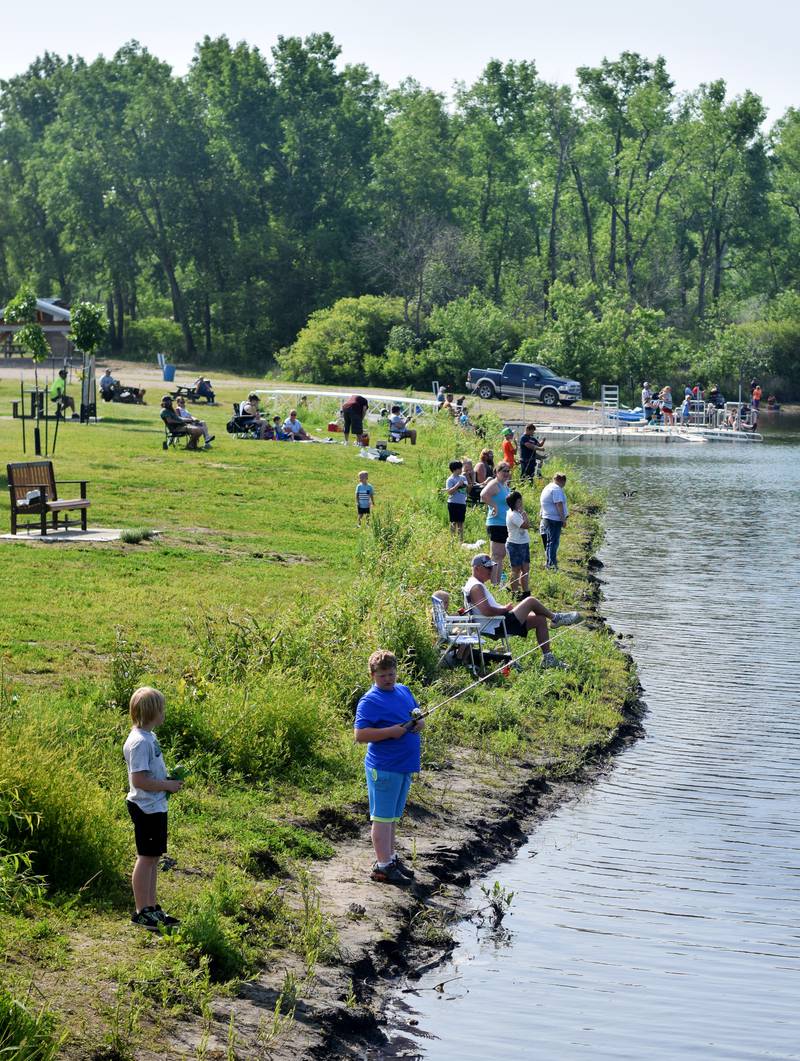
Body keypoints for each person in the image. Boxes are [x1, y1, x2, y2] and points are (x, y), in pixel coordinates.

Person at [354, 649, 424, 884]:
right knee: (382, 818)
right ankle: (382, 866)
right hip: (384, 767)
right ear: (373, 675)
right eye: (383, 675)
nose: (389, 679)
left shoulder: (404, 690)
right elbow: (360, 734)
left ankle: (390, 859)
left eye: (392, 674)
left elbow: (418, 715)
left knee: (392, 817)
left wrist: (419, 723)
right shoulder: (370, 700)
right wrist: (391, 732)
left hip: (404, 766)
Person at [123, 686, 183, 929]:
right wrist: (166, 785)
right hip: (145, 807)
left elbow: (149, 774)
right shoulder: (138, 742)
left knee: (154, 857)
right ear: (151, 713)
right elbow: (139, 780)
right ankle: (141, 912)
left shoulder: (150, 737)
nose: (164, 713)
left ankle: (152, 907)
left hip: (155, 806)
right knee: (146, 858)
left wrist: (166, 779)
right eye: (161, 709)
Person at [463, 554, 579, 669]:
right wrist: (504, 609)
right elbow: (486, 611)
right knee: (530, 601)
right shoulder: (476, 587)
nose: (491, 570)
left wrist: (504, 608)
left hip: (497, 622)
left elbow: (485, 609)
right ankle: (556, 618)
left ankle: (547, 658)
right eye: (488, 567)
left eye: (491, 567)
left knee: (540, 619)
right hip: (496, 625)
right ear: (477, 568)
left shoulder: (475, 584)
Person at [480, 461, 512, 584]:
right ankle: (494, 584)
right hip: (496, 523)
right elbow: (483, 495)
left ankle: (497, 582)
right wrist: (494, 506)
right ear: (497, 472)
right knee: (496, 555)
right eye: (503, 470)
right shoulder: (495, 484)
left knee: (501, 555)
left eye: (508, 471)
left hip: (504, 524)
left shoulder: (504, 485)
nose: (506, 473)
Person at [539, 472, 569, 571]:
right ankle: (552, 564)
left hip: (547, 517)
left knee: (549, 542)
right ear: (562, 481)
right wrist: (563, 519)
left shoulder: (548, 487)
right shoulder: (556, 489)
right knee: (553, 542)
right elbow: (559, 504)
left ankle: (549, 563)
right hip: (554, 519)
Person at [505, 490, 531, 598]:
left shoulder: (517, 513)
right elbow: (526, 525)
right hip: (515, 545)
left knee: (525, 569)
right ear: (514, 502)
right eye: (519, 501)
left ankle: (526, 592)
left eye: (521, 500)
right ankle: (514, 592)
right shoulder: (513, 514)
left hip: (523, 543)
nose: (521, 502)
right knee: (515, 570)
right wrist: (524, 514)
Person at [445, 459, 468, 540]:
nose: (461, 470)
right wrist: (457, 485)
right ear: (455, 469)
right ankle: (452, 539)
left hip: (462, 503)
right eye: (460, 468)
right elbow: (449, 492)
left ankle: (460, 539)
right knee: (453, 522)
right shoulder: (450, 479)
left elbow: (466, 486)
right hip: (453, 503)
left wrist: (463, 485)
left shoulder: (463, 477)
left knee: (461, 522)